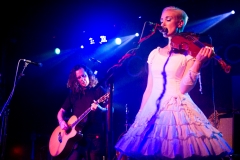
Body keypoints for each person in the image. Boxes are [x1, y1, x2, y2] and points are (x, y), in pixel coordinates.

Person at [115, 6, 233, 160]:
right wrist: (139, 115)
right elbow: (149, 88)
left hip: (177, 106)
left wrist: (197, 62)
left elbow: (184, 88)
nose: (163, 23)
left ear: (179, 23)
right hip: (151, 108)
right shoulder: (154, 53)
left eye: (168, 19)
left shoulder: (188, 53)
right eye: (161, 20)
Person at [56, 64, 107, 160]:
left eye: (84, 75)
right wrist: (61, 122)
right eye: (79, 77)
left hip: (94, 139)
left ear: (88, 74)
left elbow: (109, 109)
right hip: (76, 140)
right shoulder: (74, 95)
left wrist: (99, 107)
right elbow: (61, 112)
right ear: (76, 80)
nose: (82, 79)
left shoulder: (98, 90)